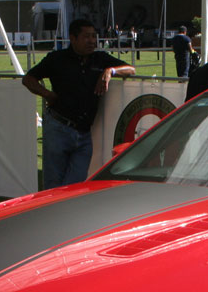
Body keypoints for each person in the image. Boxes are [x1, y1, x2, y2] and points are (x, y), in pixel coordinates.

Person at [22, 18, 135, 189]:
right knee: (53, 186)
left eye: (94, 36)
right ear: (72, 38)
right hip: (58, 129)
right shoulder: (57, 59)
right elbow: (28, 79)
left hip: (84, 135)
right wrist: (48, 95)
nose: (92, 41)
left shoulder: (100, 59)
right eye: (86, 36)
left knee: (75, 187)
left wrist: (110, 71)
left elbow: (131, 69)